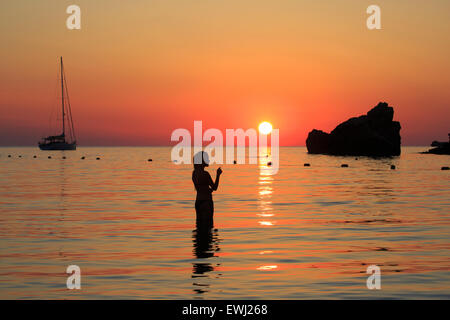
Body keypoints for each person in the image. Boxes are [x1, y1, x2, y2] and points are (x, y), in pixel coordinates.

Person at [192, 151, 222, 228]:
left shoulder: (194, 173)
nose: (208, 160)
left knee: (199, 226)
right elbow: (214, 188)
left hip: (198, 202)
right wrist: (218, 175)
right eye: (206, 158)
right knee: (208, 227)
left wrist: (208, 190)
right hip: (207, 202)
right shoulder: (205, 174)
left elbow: (199, 188)